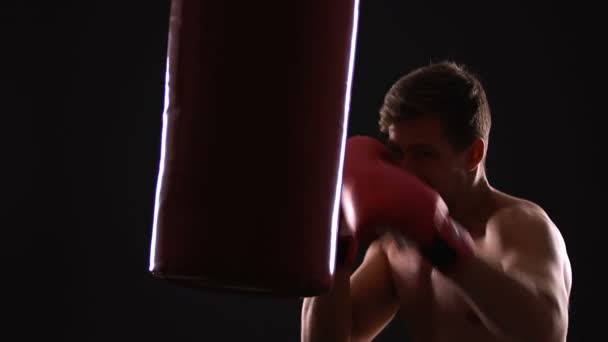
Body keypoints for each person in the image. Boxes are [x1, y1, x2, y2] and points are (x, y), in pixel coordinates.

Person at [300, 61, 572, 342]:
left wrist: (441, 242)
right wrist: (337, 242)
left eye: (423, 154)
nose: (404, 170)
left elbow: (546, 332)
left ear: (472, 155)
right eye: (396, 152)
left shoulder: (517, 226)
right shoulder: (396, 247)